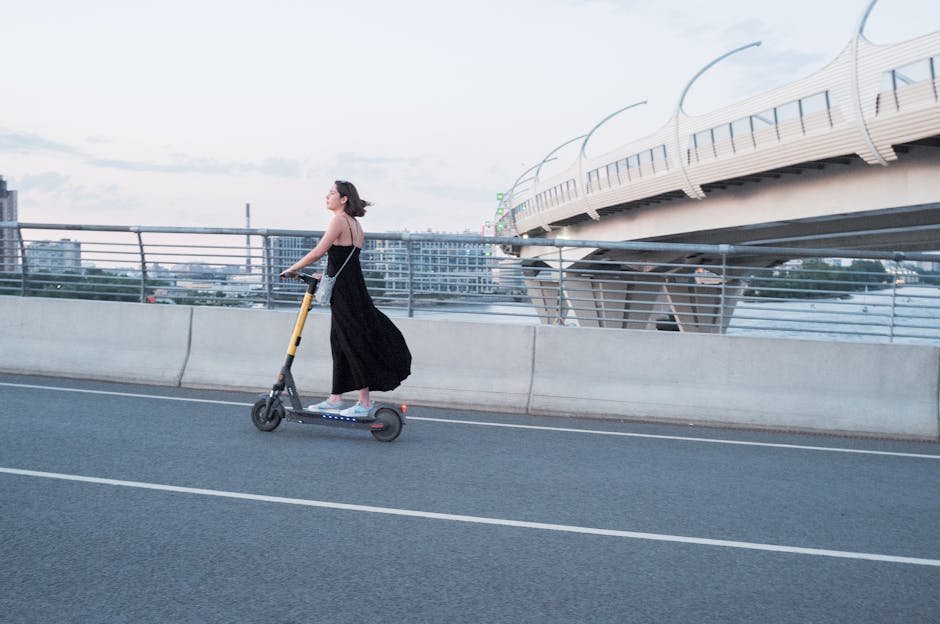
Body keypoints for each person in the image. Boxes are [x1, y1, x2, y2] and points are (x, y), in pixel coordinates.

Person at [280, 180, 412, 416]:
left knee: (351, 343)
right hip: (353, 288)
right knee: (340, 343)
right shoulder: (356, 224)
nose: (326, 196)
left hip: (344, 294)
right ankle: (335, 398)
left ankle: (364, 403)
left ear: (343, 199)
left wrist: (292, 268)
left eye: (331, 193)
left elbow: (318, 251)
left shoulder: (339, 220)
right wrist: (325, 275)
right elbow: (345, 263)